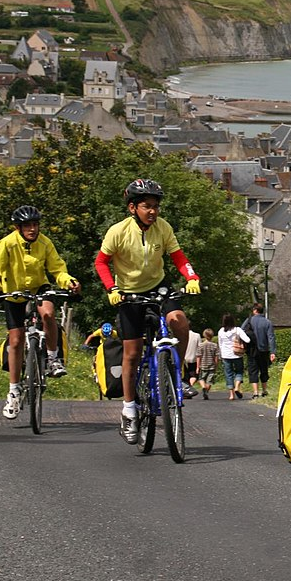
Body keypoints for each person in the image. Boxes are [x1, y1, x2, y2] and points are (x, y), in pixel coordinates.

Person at [94, 178, 202, 444]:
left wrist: (191, 278)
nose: (153, 211)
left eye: (156, 206)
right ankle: (130, 410)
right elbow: (101, 262)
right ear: (133, 208)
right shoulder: (118, 231)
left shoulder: (163, 228)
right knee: (131, 354)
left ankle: (177, 376)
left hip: (158, 287)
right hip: (128, 293)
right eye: (147, 206)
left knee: (179, 321)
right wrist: (112, 289)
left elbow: (178, 257)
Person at [0, 205, 81, 419]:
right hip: (13, 291)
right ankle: (14, 390)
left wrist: (69, 282)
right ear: (18, 228)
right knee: (17, 339)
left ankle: (52, 358)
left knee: (48, 314)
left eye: (35, 225)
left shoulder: (45, 243)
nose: (32, 229)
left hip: (39, 286)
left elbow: (58, 268)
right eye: (27, 225)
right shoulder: (8, 243)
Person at [240, 302, 276, 398]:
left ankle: (255, 392)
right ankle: (264, 390)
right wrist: (273, 352)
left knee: (253, 370)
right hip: (264, 350)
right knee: (264, 370)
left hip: (251, 349)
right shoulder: (267, 322)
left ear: (255, 310)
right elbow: (271, 337)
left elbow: (240, 331)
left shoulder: (249, 320)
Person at [217, 313, 248, 400]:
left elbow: (220, 344)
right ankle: (237, 387)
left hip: (226, 355)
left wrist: (221, 355)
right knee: (239, 371)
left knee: (228, 374)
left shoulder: (221, 331)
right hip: (237, 354)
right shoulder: (237, 330)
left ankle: (231, 394)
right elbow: (247, 340)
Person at [195, 328, 219, 399]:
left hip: (203, 365)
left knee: (201, 379)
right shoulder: (214, 345)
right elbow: (216, 357)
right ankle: (206, 391)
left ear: (204, 335)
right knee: (209, 381)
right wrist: (216, 365)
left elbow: (198, 356)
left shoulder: (201, 345)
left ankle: (203, 387)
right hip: (211, 365)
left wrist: (197, 366)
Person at [183, 328, 201, 398]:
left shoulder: (181, 335)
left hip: (184, 357)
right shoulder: (196, 335)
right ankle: (190, 387)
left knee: (185, 376)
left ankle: (187, 389)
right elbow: (199, 347)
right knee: (193, 375)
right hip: (193, 357)